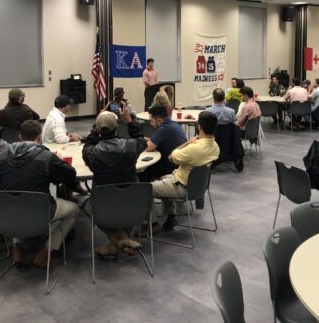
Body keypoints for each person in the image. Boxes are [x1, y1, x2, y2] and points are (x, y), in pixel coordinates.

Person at [0, 120, 78, 268]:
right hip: (38, 212)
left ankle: (18, 248)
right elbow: (70, 176)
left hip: (6, 212)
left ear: (20, 137)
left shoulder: (2, 156)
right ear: (40, 138)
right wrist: (58, 161)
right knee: (73, 209)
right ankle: (46, 252)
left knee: (16, 200)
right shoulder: (46, 157)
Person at [82, 107, 146, 258]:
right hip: (132, 203)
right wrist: (130, 122)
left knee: (86, 206)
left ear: (98, 130)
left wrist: (94, 132)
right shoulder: (131, 146)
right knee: (126, 201)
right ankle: (124, 238)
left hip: (104, 205)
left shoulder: (92, 153)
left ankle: (116, 240)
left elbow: (86, 147)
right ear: (117, 127)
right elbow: (140, 139)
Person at [151, 111, 220, 231]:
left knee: (144, 189)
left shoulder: (194, 148)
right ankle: (170, 217)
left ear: (199, 126)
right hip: (198, 187)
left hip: (182, 187)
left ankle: (153, 224)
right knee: (163, 178)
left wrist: (188, 142)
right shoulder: (215, 147)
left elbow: (171, 157)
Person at [143, 105, 186, 181]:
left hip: (169, 169)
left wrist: (140, 140)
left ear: (159, 120)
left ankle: (145, 189)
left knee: (144, 169)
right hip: (179, 166)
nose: (150, 124)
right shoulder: (174, 124)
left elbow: (148, 147)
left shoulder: (164, 129)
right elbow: (156, 141)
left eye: (151, 121)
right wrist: (146, 139)